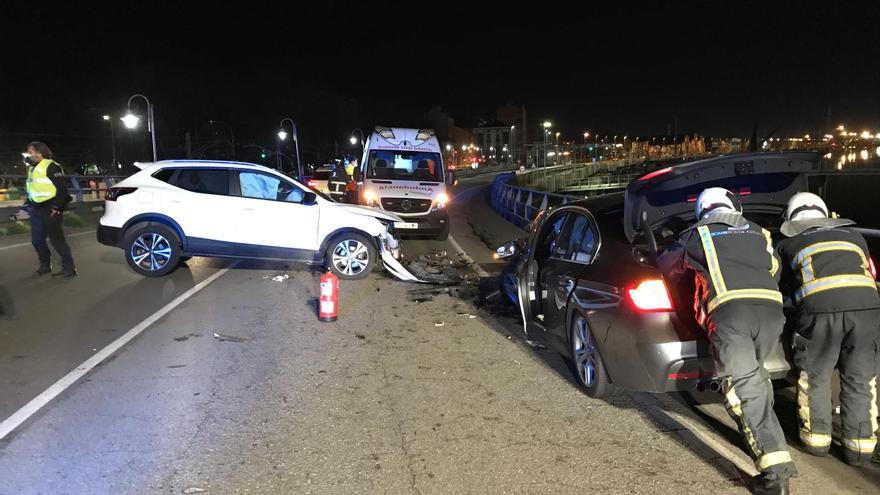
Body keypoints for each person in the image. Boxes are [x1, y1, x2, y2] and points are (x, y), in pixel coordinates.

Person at [658, 187, 795, 495]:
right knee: (757, 381)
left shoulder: (698, 235)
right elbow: (774, 268)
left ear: (702, 211)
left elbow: (668, 266)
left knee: (742, 387)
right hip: (772, 313)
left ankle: (775, 475)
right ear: (734, 205)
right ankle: (766, 440)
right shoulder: (759, 231)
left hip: (731, 316)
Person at [775, 192, 880, 466]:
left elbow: (781, 286)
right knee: (861, 378)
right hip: (868, 311)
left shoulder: (788, 243)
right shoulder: (855, 237)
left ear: (791, 218)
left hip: (820, 314)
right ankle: (859, 449)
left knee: (816, 375)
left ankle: (816, 442)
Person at [22, 141, 76, 277]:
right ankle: (45, 265)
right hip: (35, 208)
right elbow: (32, 188)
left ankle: (69, 268)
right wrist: (26, 204)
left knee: (56, 239)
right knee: (37, 240)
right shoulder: (31, 168)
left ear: (40, 152)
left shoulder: (52, 166)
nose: (28, 155)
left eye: (31, 152)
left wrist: (57, 207)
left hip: (51, 207)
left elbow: (62, 190)